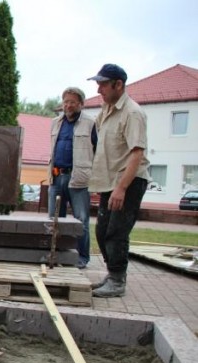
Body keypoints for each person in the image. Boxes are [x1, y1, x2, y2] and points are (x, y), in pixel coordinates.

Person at [87, 64, 151, 297]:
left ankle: (117, 280)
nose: (99, 88)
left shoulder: (132, 113)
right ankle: (112, 274)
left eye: (103, 84)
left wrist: (122, 188)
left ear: (118, 84)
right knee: (102, 232)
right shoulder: (106, 110)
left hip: (128, 182)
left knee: (116, 232)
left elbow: (137, 153)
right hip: (110, 181)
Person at [48, 87, 97, 269]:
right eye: (66, 102)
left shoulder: (91, 123)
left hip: (78, 179)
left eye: (72, 102)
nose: (68, 105)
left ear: (81, 104)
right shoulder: (55, 123)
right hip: (56, 177)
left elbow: (97, 152)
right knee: (54, 220)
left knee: (81, 220)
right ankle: (58, 255)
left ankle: (82, 257)